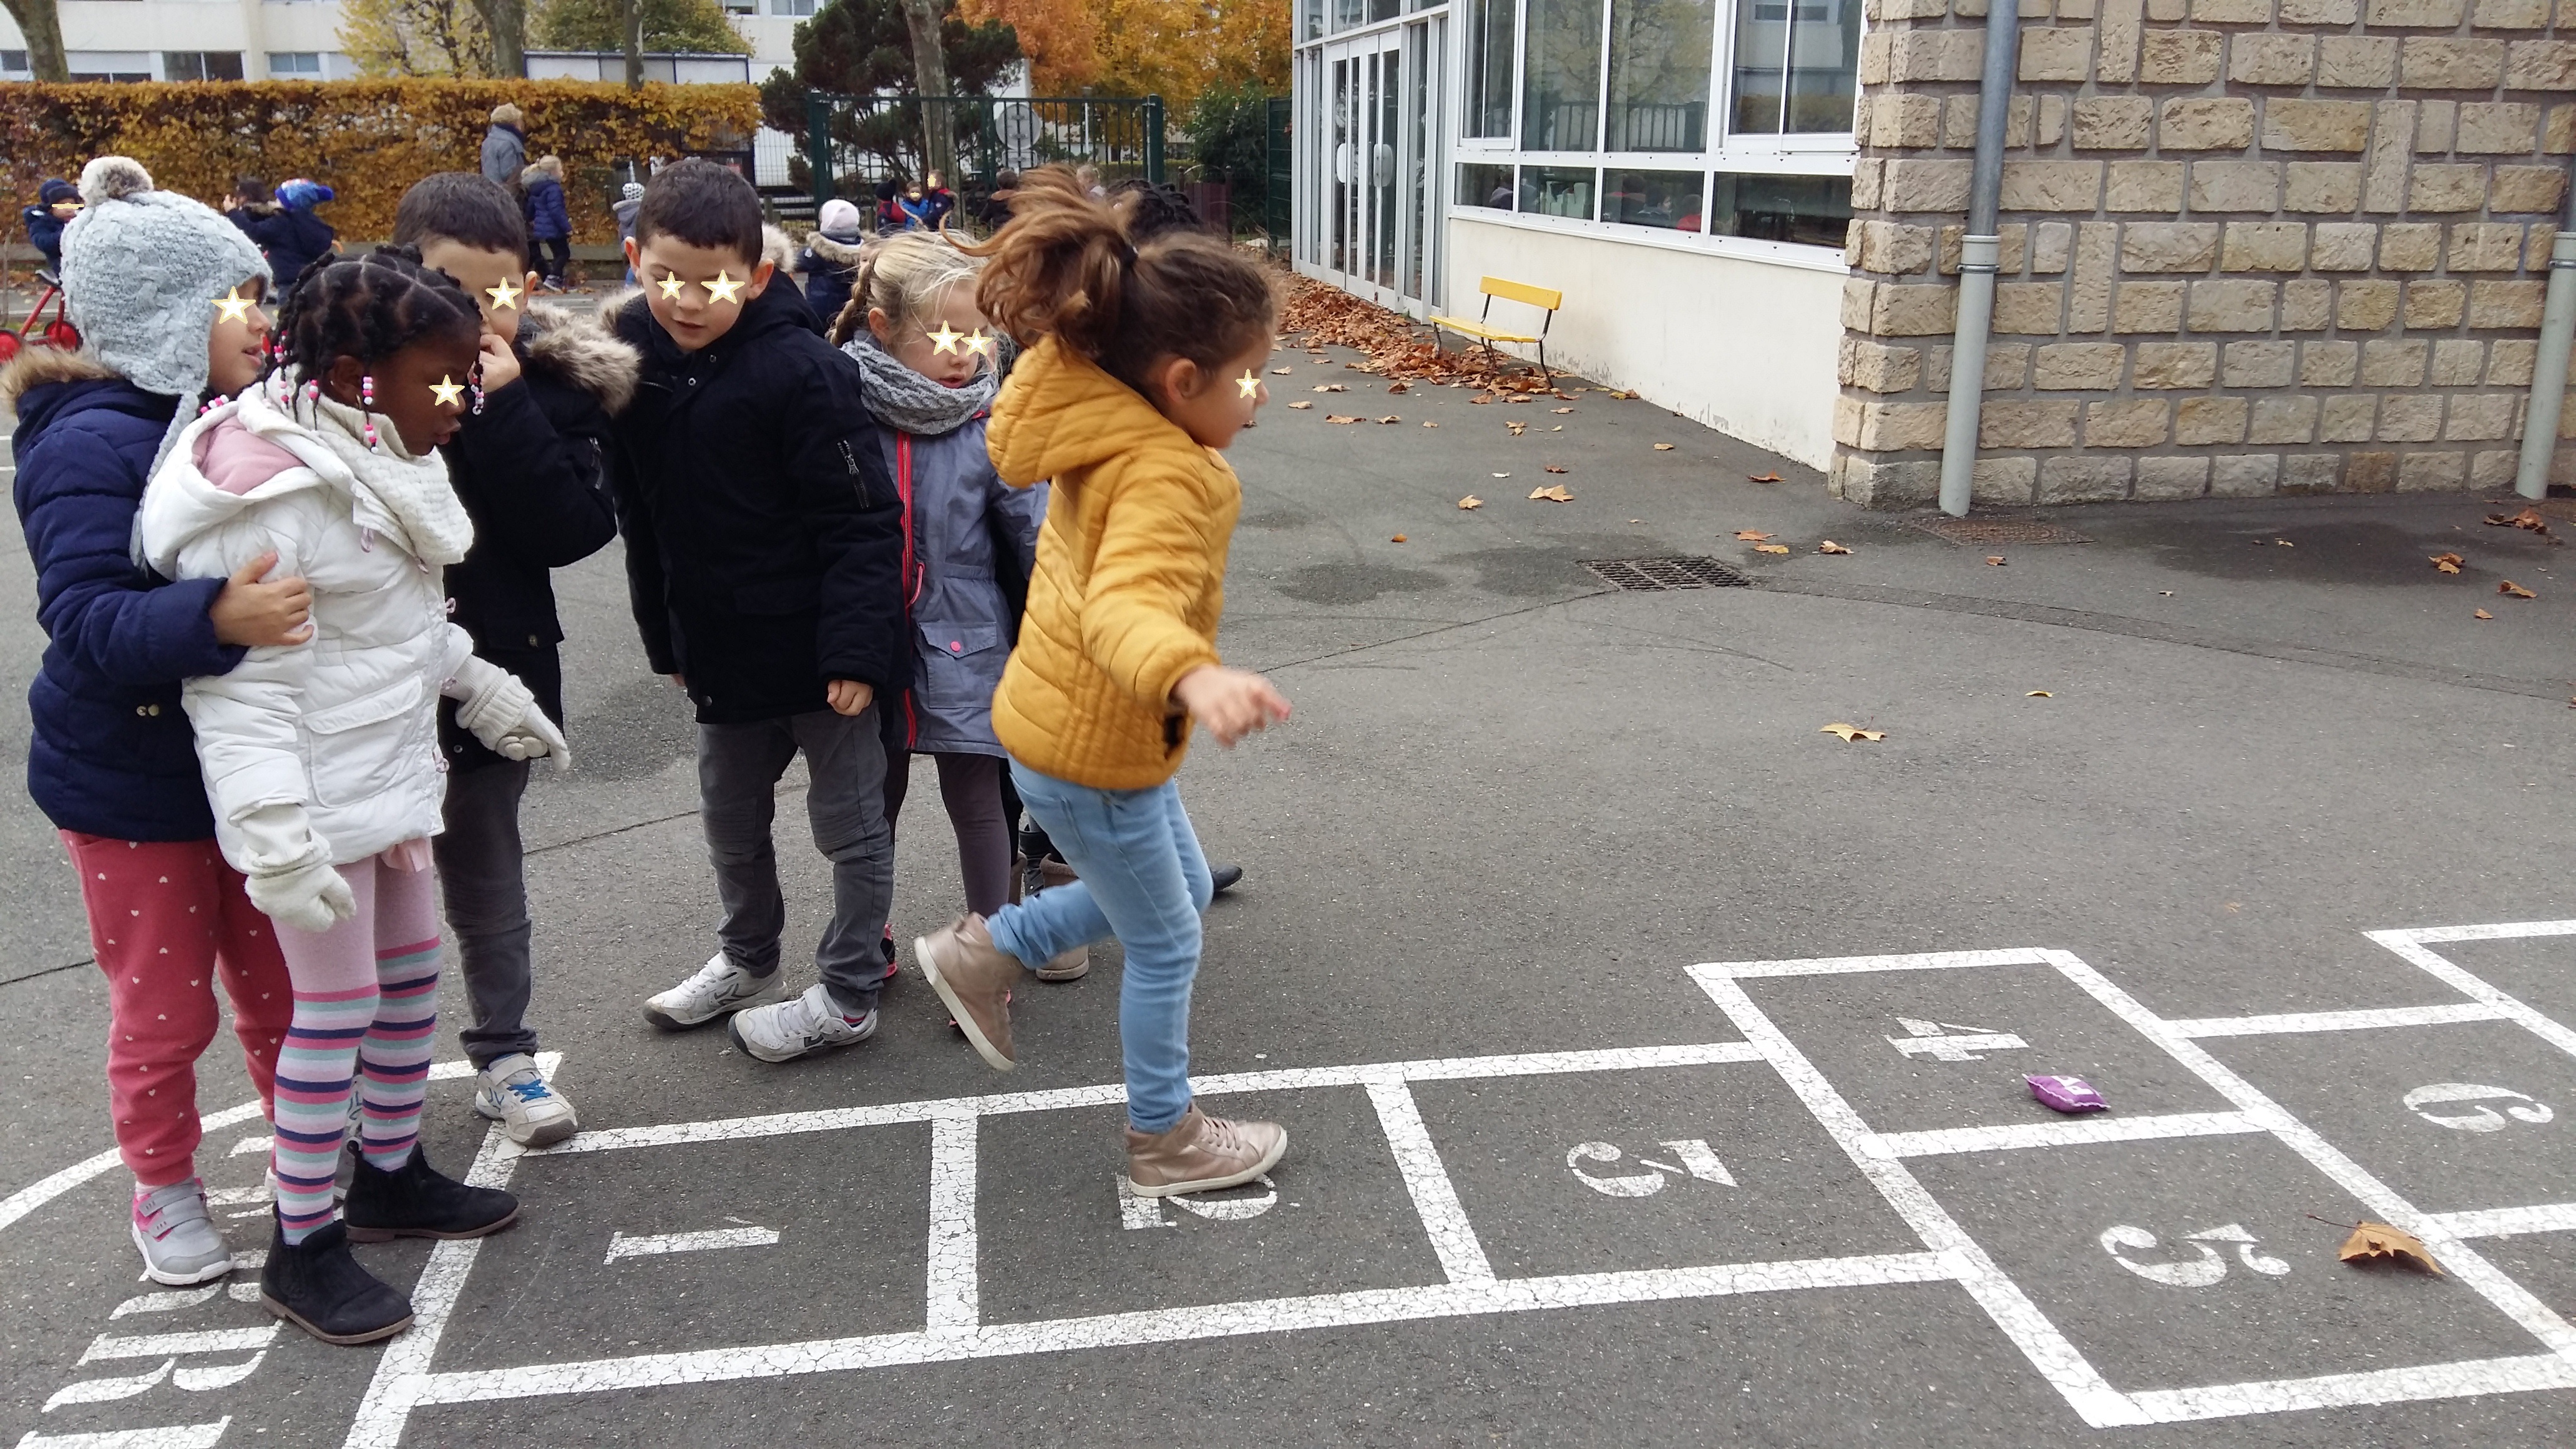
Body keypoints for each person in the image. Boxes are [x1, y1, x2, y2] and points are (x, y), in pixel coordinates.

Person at [141, 247, 560, 1345]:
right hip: (313, 805)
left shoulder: (369, 443)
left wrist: (478, 684)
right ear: (353, 372)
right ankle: (303, 1241)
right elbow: (241, 692)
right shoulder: (272, 495)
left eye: (468, 371)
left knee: (412, 979)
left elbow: (395, 630)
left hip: (386, 777)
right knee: (332, 1014)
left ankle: (389, 1172)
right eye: (440, 376)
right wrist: (276, 836)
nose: (462, 397)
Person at [914, 167, 1291, 1198]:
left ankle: (984, 951)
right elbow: (1126, 606)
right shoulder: (1171, 469)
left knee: (1170, 895)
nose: (1259, 397)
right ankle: (1161, 1137)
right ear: (1179, 380)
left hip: (1072, 726)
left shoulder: (1105, 411)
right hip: (1096, 746)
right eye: (1249, 376)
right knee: (1166, 934)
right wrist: (1193, 673)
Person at [7, 157, 305, 1287]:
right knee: (165, 1006)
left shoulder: (228, 416)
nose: (263, 320)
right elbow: (84, 615)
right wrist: (216, 614)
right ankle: (165, 1185)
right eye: (244, 300)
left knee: (285, 989)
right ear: (172, 318)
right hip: (133, 783)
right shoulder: (90, 441)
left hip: (247, 767)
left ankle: (307, 1153)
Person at [606, 159, 907, 1063]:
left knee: (850, 826)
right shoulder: (635, 367)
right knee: (730, 818)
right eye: (665, 278)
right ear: (634, 260)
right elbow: (641, 519)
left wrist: (858, 650)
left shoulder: (805, 371)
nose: (687, 301)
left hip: (822, 657)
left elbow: (863, 520)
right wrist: (667, 635)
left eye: (713, 283)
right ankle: (748, 956)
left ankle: (850, 988)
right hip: (723, 653)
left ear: (760, 276)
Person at [393, 172, 635, 1146]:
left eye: (500, 291)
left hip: (495, 666)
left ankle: (505, 1055)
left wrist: (499, 410)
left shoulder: (548, 391)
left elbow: (573, 526)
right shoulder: (345, 378)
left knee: (486, 875)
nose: (479, 311)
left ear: (527, 288)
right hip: (367, 683)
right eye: (453, 286)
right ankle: (366, 1070)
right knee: (373, 888)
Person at [825, 233, 1061, 979]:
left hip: (970, 642)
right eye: (944, 334)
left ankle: (989, 952)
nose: (966, 351)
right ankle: (869, 934)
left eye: (978, 332)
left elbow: (1039, 537)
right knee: (873, 801)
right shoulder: (841, 409)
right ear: (884, 327)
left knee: (978, 796)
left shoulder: (990, 425)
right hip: (871, 645)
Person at [797, 197, 866, 324]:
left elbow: (795, 263)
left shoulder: (818, 251)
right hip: (857, 308)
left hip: (824, 312)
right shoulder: (866, 250)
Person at [260, 179, 338, 290]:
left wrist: (234, 213)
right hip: (309, 281)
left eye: (279, 200)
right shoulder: (310, 225)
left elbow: (256, 231)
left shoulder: (282, 224)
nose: (274, 202)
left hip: (287, 283)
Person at [521, 157, 572, 291]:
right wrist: (567, 227)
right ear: (553, 172)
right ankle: (553, 278)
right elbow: (556, 210)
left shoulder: (536, 188)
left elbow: (531, 208)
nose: (562, 173)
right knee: (563, 254)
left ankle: (556, 280)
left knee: (557, 253)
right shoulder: (554, 189)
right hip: (554, 228)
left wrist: (532, 219)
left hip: (542, 227)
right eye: (560, 170)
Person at [22, 177, 79, 275]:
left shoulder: (78, 220)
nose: (69, 209)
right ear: (49, 207)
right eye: (62, 205)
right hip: (64, 267)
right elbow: (44, 243)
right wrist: (67, 234)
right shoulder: (41, 223)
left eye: (72, 204)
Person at [481, 104, 528, 197]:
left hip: (490, 191)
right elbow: (509, 173)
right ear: (514, 122)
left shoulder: (489, 139)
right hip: (505, 195)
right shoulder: (509, 143)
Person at [613, 180, 645, 285]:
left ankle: (630, 284)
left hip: (626, 243)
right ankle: (629, 285)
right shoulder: (640, 211)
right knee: (637, 265)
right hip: (638, 242)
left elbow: (621, 231)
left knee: (633, 265)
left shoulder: (623, 212)